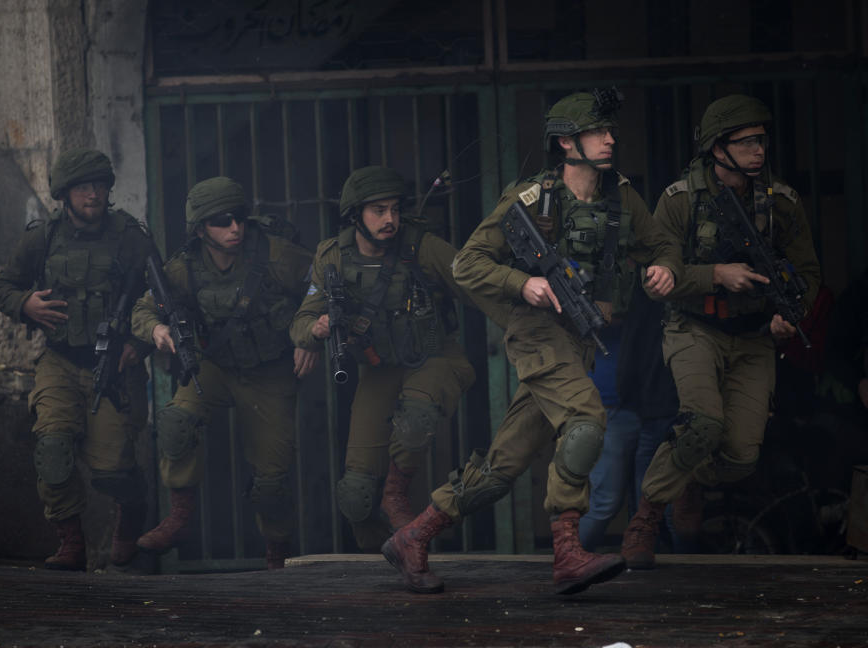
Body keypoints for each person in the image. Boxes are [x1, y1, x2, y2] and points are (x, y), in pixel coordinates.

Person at [380, 88, 674, 595]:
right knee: (585, 422)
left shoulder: (621, 196)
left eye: (610, 132)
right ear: (565, 143)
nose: (609, 140)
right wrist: (524, 283)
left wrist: (665, 267)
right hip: (537, 333)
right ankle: (566, 553)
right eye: (596, 133)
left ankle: (415, 534)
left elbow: (661, 242)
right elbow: (467, 263)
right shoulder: (531, 198)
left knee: (502, 466)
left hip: (580, 340)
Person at [620, 95, 822, 569]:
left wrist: (789, 315)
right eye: (746, 141)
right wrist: (716, 274)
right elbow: (656, 276)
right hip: (694, 327)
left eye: (762, 140)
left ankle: (686, 475)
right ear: (717, 149)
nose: (758, 149)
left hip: (754, 336)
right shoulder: (679, 201)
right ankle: (646, 518)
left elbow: (809, 272)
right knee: (702, 423)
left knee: (740, 455)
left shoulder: (782, 203)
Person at [130, 177, 315, 569]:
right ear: (200, 229)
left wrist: (307, 334)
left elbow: (323, 286)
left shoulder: (277, 255)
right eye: (221, 221)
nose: (235, 229)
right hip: (213, 368)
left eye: (239, 219)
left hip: (269, 372)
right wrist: (157, 330)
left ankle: (276, 551)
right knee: (177, 423)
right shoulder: (184, 268)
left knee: (271, 482)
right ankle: (179, 517)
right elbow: (143, 310)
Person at [290, 166, 476, 552]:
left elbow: (478, 282)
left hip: (433, 357)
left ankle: (396, 495)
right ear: (355, 215)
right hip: (377, 370)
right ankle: (390, 559)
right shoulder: (332, 256)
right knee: (355, 495)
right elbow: (302, 318)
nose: (390, 219)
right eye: (378, 210)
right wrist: (314, 331)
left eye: (394, 209)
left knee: (416, 420)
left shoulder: (423, 247)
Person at [0, 148, 154, 571]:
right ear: (65, 193)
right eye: (83, 187)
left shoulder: (132, 238)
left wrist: (141, 343)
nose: (93, 194)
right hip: (59, 361)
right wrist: (24, 303)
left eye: (100, 185)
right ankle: (71, 543)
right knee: (52, 448)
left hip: (115, 368)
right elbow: (4, 285)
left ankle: (131, 514)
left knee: (112, 471)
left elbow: (163, 298)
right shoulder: (43, 238)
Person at [578, 279, 677, 552]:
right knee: (604, 501)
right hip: (612, 402)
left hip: (653, 402)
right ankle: (568, 561)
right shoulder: (599, 270)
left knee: (653, 503)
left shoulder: (657, 273)